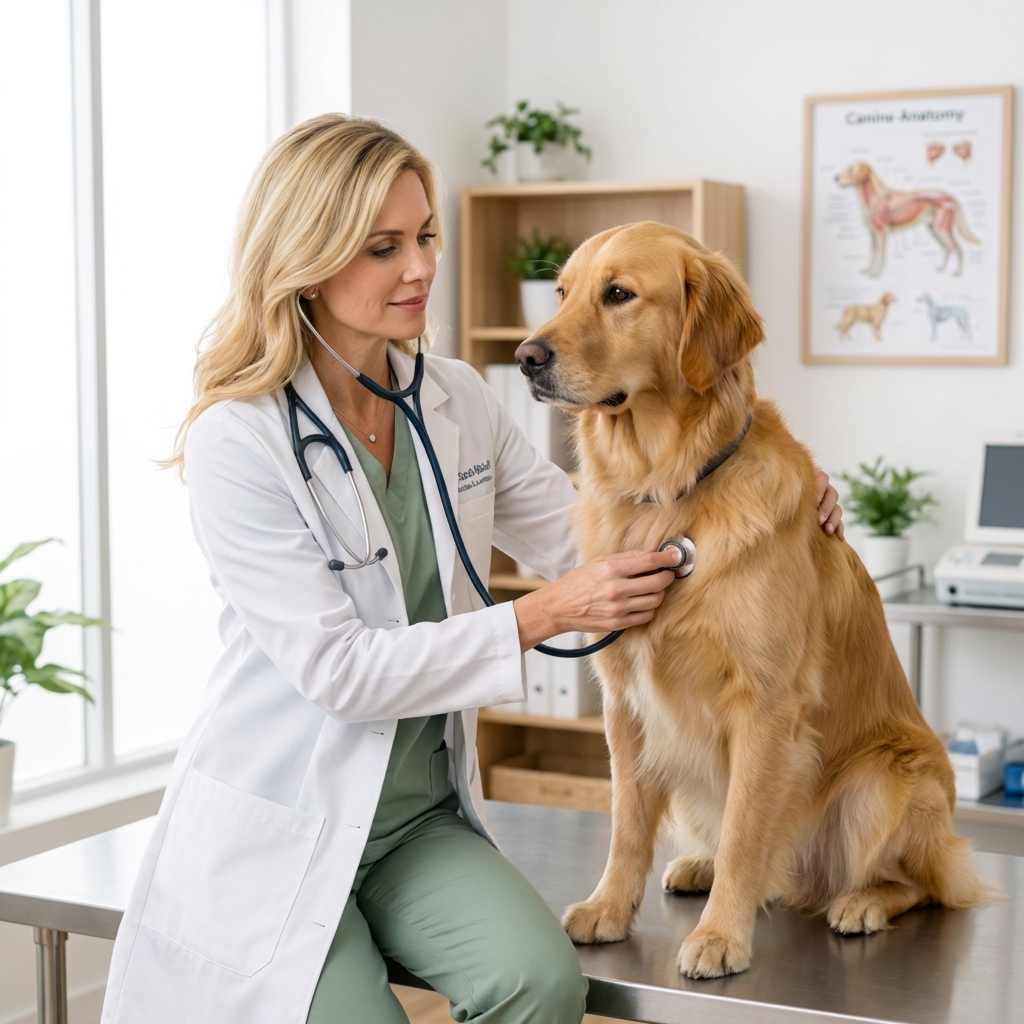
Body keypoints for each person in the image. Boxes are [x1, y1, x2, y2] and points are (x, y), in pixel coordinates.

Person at [100, 115, 843, 1024]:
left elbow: (583, 541)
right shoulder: (239, 441)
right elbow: (338, 672)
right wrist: (537, 618)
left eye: (424, 238)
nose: (419, 267)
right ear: (306, 259)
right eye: (382, 248)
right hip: (282, 818)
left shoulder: (450, 396)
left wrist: (764, 490)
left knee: (541, 983)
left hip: (412, 821)